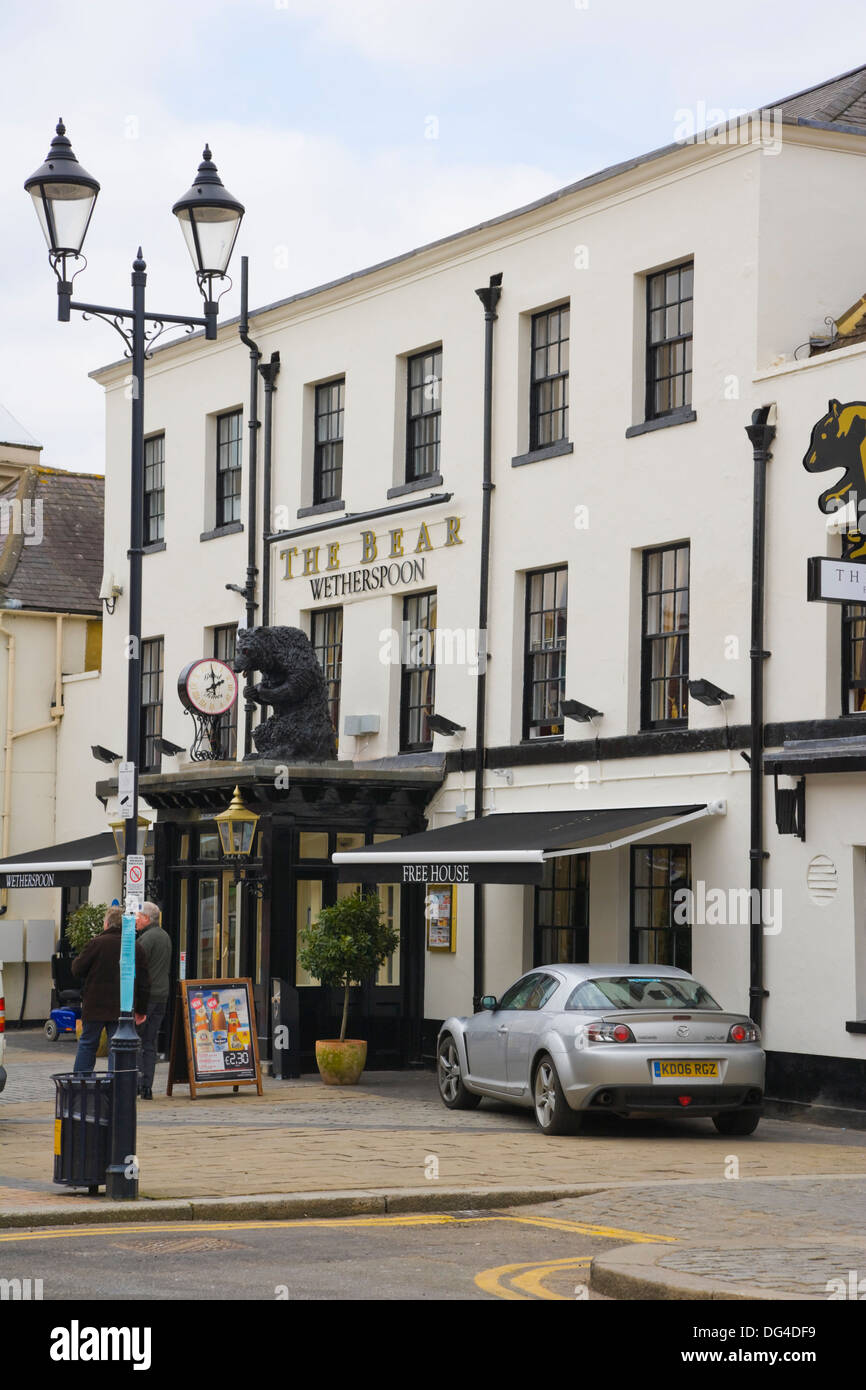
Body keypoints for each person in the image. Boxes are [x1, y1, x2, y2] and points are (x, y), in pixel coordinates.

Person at [71, 906, 150, 1074]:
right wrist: (141, 1009)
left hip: (94, 1005)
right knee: (117, 1047)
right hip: (122, 1006)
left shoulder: (96, 943)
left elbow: (77, 969)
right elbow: (144, 982)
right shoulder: (135, 947)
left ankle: (81, 1080)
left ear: (107, 924)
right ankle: (116, 1082)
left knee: (87, 1044)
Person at [134, 901, 172, 1099]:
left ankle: (137, 1083)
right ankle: (147, 1087)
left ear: (147, 918)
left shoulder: (146, 939)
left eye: (138, 916)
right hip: (162, 995)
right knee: (150, 1041)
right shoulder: (165, 936)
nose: (136, 920)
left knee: (136, 1039)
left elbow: (136, 967)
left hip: (146, 997)